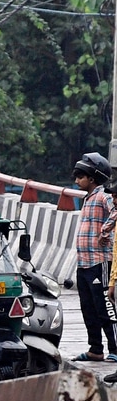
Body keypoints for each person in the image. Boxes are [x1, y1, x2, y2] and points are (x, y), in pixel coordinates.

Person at [72, 152, 117, 361]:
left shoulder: (104, 196)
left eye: (80, 177)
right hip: (84, 263)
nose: (76, 181)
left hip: (100, 262)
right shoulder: (87, 198)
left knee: (105, 308)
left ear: (92, 178)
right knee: (88, 308)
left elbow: (116, 210)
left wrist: (105, 230)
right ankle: (95, 349)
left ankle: (114, 349)